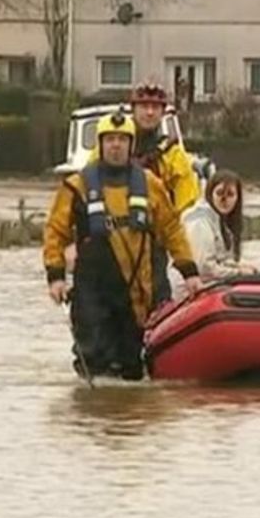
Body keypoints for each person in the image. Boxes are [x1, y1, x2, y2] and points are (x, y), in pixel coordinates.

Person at [43, 112, 203, 381]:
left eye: (122, 140)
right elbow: (55, 232)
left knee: (134, 364)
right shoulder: (77, 186)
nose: (116, 145)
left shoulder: (151, 185)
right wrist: (56, 278)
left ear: (130, 145)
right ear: (101, 144)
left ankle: (130, 417)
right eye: (110, 140)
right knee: (94, 357)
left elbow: (172, 230)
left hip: (138, 289)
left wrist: (190, 273)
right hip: (93, 289)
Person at [129, 82, 202, 308]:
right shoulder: (112, 145)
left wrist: (187, 266)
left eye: (155, 107)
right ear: (133, 109)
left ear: (162, 112)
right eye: (144, 106)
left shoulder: (172, 154)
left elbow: (184, 205)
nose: (150, 112)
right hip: (113, 241)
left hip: (154, 243)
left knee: (157, 299)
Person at [171, 169, 260, 301]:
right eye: (219, 193)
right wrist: (238, 273)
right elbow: (204, 267)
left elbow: (219, 259)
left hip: (211, 283)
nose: (224, 200)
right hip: (192, 289)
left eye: (230, 195)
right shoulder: (199, 221)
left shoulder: (219, 221)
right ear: (210, 193)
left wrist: (238, 266)